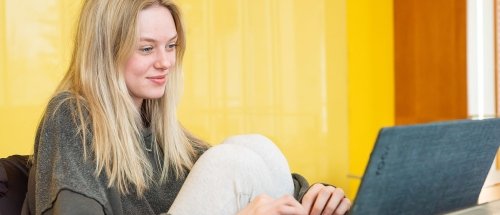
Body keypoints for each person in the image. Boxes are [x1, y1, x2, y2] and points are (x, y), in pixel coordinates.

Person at [25, 0, 351, 214]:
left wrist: (319, 196)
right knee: (228, 161)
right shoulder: (71, 116)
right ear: (105, 52)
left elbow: (261, 179)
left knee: (253, 146)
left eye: (170, 46)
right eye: (147, 48)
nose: (165, 62)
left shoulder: (157, 127)